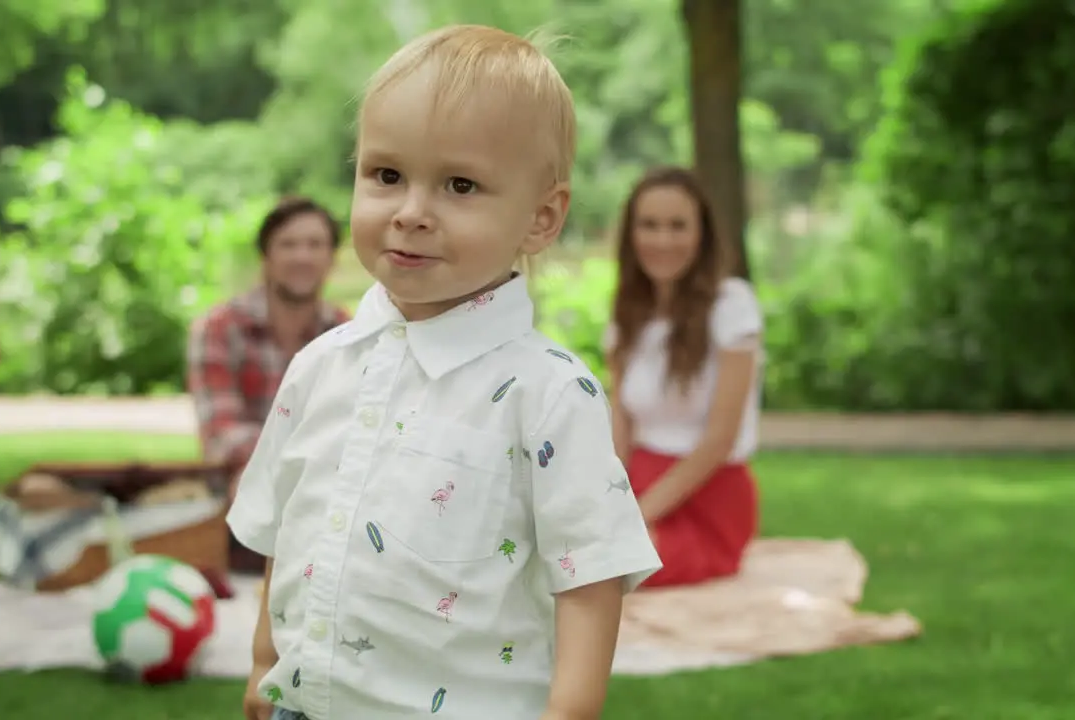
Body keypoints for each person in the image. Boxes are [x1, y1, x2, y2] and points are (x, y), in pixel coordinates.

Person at [229, 25, 661, 720]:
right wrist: (262, 663)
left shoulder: (547, 393)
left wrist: (570, 711)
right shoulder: (321, 366)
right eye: (386, 175)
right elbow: (290, 528)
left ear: (541, 218)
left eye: (460, 184)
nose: (410, 213)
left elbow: (591, 574)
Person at [605, 166, 764, 589]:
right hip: (639, 483)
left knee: (603, 572)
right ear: (631, 234)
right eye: (650, 225)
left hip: (707, 496)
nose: (663, 240)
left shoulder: (733, 306)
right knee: (559, 553)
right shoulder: (628, 315)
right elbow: (622, 424)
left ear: (702, 235)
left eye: (678, 226)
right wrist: (609, 502)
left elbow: (719, 441)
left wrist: (637, 519)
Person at [187, 196, 350, 574]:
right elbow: (220, 432)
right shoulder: (218, 328)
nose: (302, 257)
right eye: (289, 244)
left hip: (321, 497)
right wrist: (283, 467)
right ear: (267, 257)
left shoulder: (348, 333)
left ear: (331, 258)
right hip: (237, 493)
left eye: (315, 245)